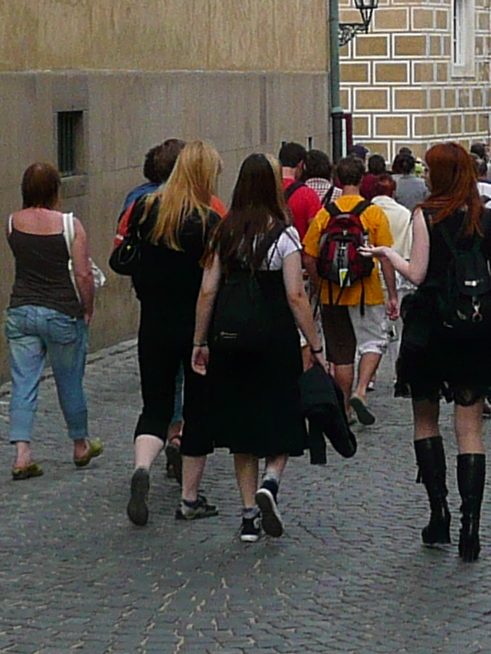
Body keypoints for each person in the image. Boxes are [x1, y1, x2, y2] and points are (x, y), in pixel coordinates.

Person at [188, 154, 328, 544]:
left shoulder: (222, 233)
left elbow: (207, 290)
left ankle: (249, 515)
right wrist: (314, 344)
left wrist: (200, 341)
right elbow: (296, 295)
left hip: (230, 340)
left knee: (241, 429)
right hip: (274, 338)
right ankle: (271, 482)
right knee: (282, 415)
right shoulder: (284, 236)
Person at [391, 142, 491, 559]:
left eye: (429, 170)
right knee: (470, 429)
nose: (425, 175)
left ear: (440, 175)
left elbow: (418, 272)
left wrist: (389, 254)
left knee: (425, 420)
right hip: (473, 331)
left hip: (429, 327)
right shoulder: (490, 217)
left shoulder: (425, 215)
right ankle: (471, 528)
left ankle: (439, 512)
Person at [117, 141, 223, 523]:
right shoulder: (210, 221)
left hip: (153, 322)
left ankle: (142, 467)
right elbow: (212, 285)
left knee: (155, 406)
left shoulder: (146, 209)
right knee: (196, 411)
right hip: (195, 326)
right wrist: (202, 339)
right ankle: (189, 499)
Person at [3, 162, 102, 481]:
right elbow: (84, 273)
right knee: (69, 380)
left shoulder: (12, 223)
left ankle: (22, 453)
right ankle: (80, 444)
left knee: (23, 382)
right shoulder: (70, 225)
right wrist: (87, 308)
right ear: (55, 189)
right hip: (61, 311)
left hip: (21, 311)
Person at [305, 156, 407, 426]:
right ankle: (361, 390)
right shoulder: (373, 213)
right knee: (373, 342)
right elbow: (385, 256)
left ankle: (344, 408)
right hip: (366, 290)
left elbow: (309, 255)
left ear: (338, 179)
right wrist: (393, 295)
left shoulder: (325, 213)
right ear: (362, 179)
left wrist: (319, 284)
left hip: (331, 293)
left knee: (340, 355)